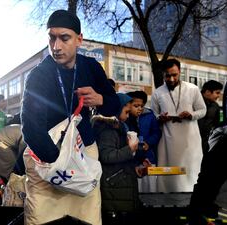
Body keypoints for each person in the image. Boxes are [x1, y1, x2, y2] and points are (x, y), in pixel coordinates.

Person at [21, 9, 119, 225]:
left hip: (84, 153)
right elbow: (30, 127)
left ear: (79, 39)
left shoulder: (91, 67)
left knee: (88, 217)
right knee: (40, 218)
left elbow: (114, 106)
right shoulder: (39, 75)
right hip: (48, 157)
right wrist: (58, 161)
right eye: (51, 38)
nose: (56, 47)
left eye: (64, 38)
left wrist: (101, 99)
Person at [150, 58, 206, 193]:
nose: (171, 79)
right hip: (168, 141)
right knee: (169, 175)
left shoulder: (192, 89)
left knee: (190, 173)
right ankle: (169, 205)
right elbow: (153, 115)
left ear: (180, 72)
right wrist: (160, 118)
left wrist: (191, 115)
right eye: (167, 75)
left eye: (174, 75)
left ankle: (191, 204)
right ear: (163, 74)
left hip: (190, 141)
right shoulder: (158, 92)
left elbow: (202, 110)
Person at [93, 93, 142, 224]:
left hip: (119, 185)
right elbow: (107, 155)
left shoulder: (119, 127)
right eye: (126, 111)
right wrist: (130, 149)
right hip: (114, 186)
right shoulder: (108, 130)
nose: (128, 115)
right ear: (116, 109)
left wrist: (135, 169)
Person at [126, 91, 161, 192]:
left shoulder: (149, 115)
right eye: (136, 106)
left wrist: (148, 142)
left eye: (141, 105)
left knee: (150, 188)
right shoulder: (125, 118)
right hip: (132, 160)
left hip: (148, 158)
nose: (140, 108)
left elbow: (157, 133)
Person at [198, 80, 223, 154]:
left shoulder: (215, 106)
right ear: (208, 92)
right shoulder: (194, 102)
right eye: (217, 93)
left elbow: (217, 125)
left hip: (206, 143)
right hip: (191, 141)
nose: (219, 96)